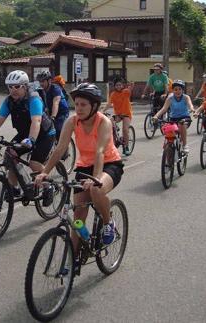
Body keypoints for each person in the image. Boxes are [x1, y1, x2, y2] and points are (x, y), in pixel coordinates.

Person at [34, 83, 123, 247]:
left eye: (83, 105)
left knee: (96, 189)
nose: (79, 108)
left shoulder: (103, 122)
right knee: (78, 219)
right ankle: (72, 261)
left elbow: (100, 152)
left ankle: (108, 223)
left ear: (94, 106)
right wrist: (45, 172)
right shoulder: (72, 121)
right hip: (84, 167)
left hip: (109, 165)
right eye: (77, 104)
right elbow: (60, 149)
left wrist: (96, 178)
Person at [0, 70, 56, 198]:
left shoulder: (33, 98)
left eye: (17, 86)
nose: (13, 90)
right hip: (25, 133)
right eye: (10, 87)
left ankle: (49, 186)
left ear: (25, 86)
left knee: (34, 163)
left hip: (44, 134)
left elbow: (36, 121)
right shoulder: (9, 101)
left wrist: (31, 139)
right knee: (10, 155)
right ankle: (14, 188)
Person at [153, 80, 194, 152]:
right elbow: (164, 109)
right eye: (175, 89)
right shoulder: (170, 98)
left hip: (185, 118)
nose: (177, 91)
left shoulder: (186, 97)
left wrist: (192, 109)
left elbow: (190, 104)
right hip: (173, 119)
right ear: (173, 90)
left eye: (179, 89)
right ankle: (169, 150)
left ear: (182, 90)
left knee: (182, 125)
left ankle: (185, 145)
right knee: (169, 132)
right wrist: (156, 116)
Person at [103, 78, 134, 155]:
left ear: (122, 85)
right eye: (117, 85)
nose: (118, 86)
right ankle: (114, 136)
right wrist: (102, 111)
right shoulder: (113, 94)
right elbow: (109, 104)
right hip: (118, 115)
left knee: (125, 130)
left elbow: (130, 89)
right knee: (109, 122)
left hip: (126, 114)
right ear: (114, 86)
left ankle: (126, 146)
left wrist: (131, 86)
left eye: (120, 85)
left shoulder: (125, 92)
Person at [36, 71, 69, 139]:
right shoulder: (40, 90)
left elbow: (56, 102)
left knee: (58, 129)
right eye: (40, 81)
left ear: (49, 81)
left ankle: (63, 147)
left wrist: (53, 117)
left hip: (61, 112)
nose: (41, 83)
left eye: (43, 81)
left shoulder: (55, 88)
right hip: (49, 112)